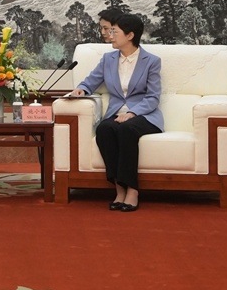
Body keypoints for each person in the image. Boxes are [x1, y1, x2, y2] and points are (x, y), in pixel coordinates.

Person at [69, 12, 162, 212]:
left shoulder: (151, 61)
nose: (109, 35)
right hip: (116, 113)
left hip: (144, 115)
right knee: (104, 129)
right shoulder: (108, 59)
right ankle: (119, 188)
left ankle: (132, 190)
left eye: (114, 31)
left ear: (130, 35)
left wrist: (132, 113)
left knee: (126, 129)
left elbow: (153, 97)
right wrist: (82, 89)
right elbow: (91, 81)